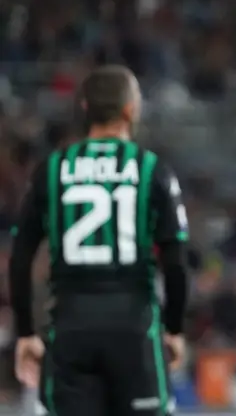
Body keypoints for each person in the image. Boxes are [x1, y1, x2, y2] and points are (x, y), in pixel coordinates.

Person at [8, 65, 190, 416]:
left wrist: (26, 333)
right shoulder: (152, 169)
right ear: (130, 110)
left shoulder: (51, 169)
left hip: (70, 326)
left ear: (85, 109)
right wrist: (175, 328)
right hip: (133, 328)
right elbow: (176, 259)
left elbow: (20, 257)